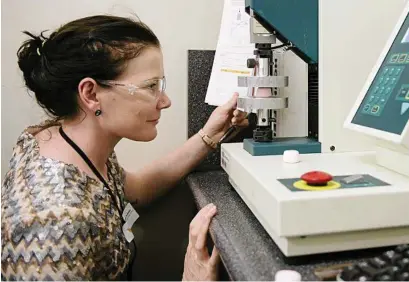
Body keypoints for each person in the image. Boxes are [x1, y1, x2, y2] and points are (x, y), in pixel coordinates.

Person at [1, 15, 248, 281]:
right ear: (91, 94)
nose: (164, 101)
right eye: (150, 87)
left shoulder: (63, 142)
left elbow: (136, 189)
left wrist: (210, 135)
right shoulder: (54, 226)